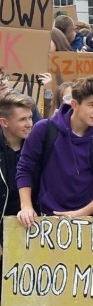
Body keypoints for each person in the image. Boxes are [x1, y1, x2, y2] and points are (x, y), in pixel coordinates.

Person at [16, 76, 93, 225]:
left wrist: (79, 214)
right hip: (44, 215)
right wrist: (26, 206)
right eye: (92, 105)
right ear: (75, 104)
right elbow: (25, 168)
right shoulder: (44, 129)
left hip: (85, 218)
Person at [0, 93, 35, 255]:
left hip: (33, 225)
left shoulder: (38, 147)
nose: (29, 124)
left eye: (30, 118)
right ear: (4, 122)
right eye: (22, 119)